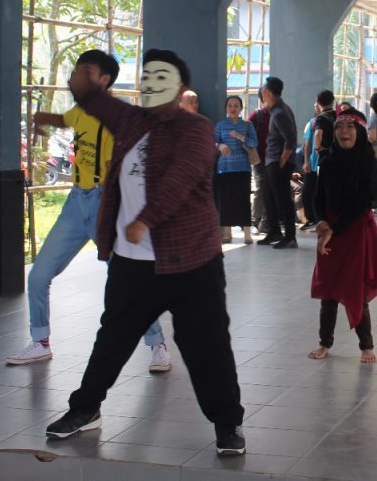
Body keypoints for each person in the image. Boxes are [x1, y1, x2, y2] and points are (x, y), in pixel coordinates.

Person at [45, 49, 246, 456]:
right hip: (132, 263)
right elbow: (95, 100)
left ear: (180, 87)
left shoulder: (196, 129)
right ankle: (85, 408)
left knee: (207, 346)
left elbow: (181, 178)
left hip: (191, 262)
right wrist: (82, 81)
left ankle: (227, 424)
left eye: (161, 77)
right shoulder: (132, 120)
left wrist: (145, 219)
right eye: (147, 77)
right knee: (113, 338)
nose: (152, 84)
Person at [7, 50, 170, 373]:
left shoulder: (118, 118)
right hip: (76, 203)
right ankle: (40, 341)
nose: (77, 76)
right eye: (77, 70)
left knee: (127, 281)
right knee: (38, 275)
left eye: (87, 71)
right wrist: (42, 118)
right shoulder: (81, 110)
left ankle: (158, 344)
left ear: (104, 80)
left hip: (104, 202)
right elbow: (65, 120)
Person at [309, 109, 377, 364]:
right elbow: (318, 197)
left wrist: (334, 230)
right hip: (329, 229)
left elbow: (363, 202)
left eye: (350, 127)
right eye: (339, 126)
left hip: (355, 229)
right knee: (328, 289)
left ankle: (367, 346)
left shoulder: (367, 162)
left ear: (360, 131)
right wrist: (322, 222)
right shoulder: (327, 161)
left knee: (356, 288)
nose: (344, 132)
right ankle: (324, 343)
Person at [258, 76, 299, 249]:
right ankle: (274, 231)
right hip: (272, 161)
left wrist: (282, 161)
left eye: (263, 88)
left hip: (278, 162)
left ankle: (290, 236)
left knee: (283, 200)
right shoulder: (277, 109)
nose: (261, 91)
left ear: (267, 92)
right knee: (269, 197)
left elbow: (291, 140)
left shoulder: (280, 112)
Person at [215, 96, 258, 245]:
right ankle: (227, 234)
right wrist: (220, 146)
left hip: (243, 167)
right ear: (226, 108)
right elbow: (213, 142)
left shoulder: (247, 125)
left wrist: (240, 136)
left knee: (243, 200)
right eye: (230, 105)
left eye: (236, 105)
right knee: (226, 201)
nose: (233, 108)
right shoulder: (220, 125)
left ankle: (247, 234)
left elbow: (254, 143)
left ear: (241, 108)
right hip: (224, 168)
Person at [301, 90, 338, 232]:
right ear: (333, 101)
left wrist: (314, 152)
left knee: (309, 192)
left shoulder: (317, 120)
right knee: (328, 191)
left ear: (318, 103)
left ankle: (312, 219)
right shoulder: (339, 118)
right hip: (334, 160)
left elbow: (310, 142)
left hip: (317, 162)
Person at [248, 91, 271, 232]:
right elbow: (246, 134)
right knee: (261, 188)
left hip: (273, 159)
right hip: (259, 159)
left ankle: (266, 221)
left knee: (270, 190)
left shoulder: (278, 114)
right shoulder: (257, 115)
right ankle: (255, 220)